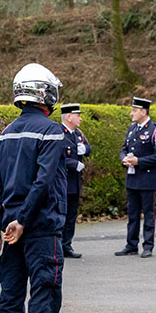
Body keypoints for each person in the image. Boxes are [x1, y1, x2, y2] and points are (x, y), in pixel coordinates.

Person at [0, 63, 73, 313]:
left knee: (10, 292)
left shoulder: (6, 133)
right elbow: (44, 180)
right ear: (46, 95)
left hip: (9, 227)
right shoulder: (51, 130)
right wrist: (23, 219)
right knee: (44, 292)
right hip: (39, 226)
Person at [115, 97, 156, 258]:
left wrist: (139, 161)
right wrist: (124, 159)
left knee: (148, 215)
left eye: (134, 110)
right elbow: (124, 148)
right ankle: (131, 244)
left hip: (147, 179)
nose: (131, 113)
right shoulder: (132, 129)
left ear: (143, 112)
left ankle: (148, 246)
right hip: (132, 178)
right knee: (132, 214)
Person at [60, 103, 91, 259]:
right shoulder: (59, 133)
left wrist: (84, 149)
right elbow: (56, 158)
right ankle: (58, 245)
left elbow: (88, 147)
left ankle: (67, 245)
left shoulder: (78, 133)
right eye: (77, 115)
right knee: (61, 215)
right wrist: (73, 164)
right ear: (69, 116)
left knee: (71, 216)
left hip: (75, 182)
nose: (80, 118)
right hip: (62, 182)